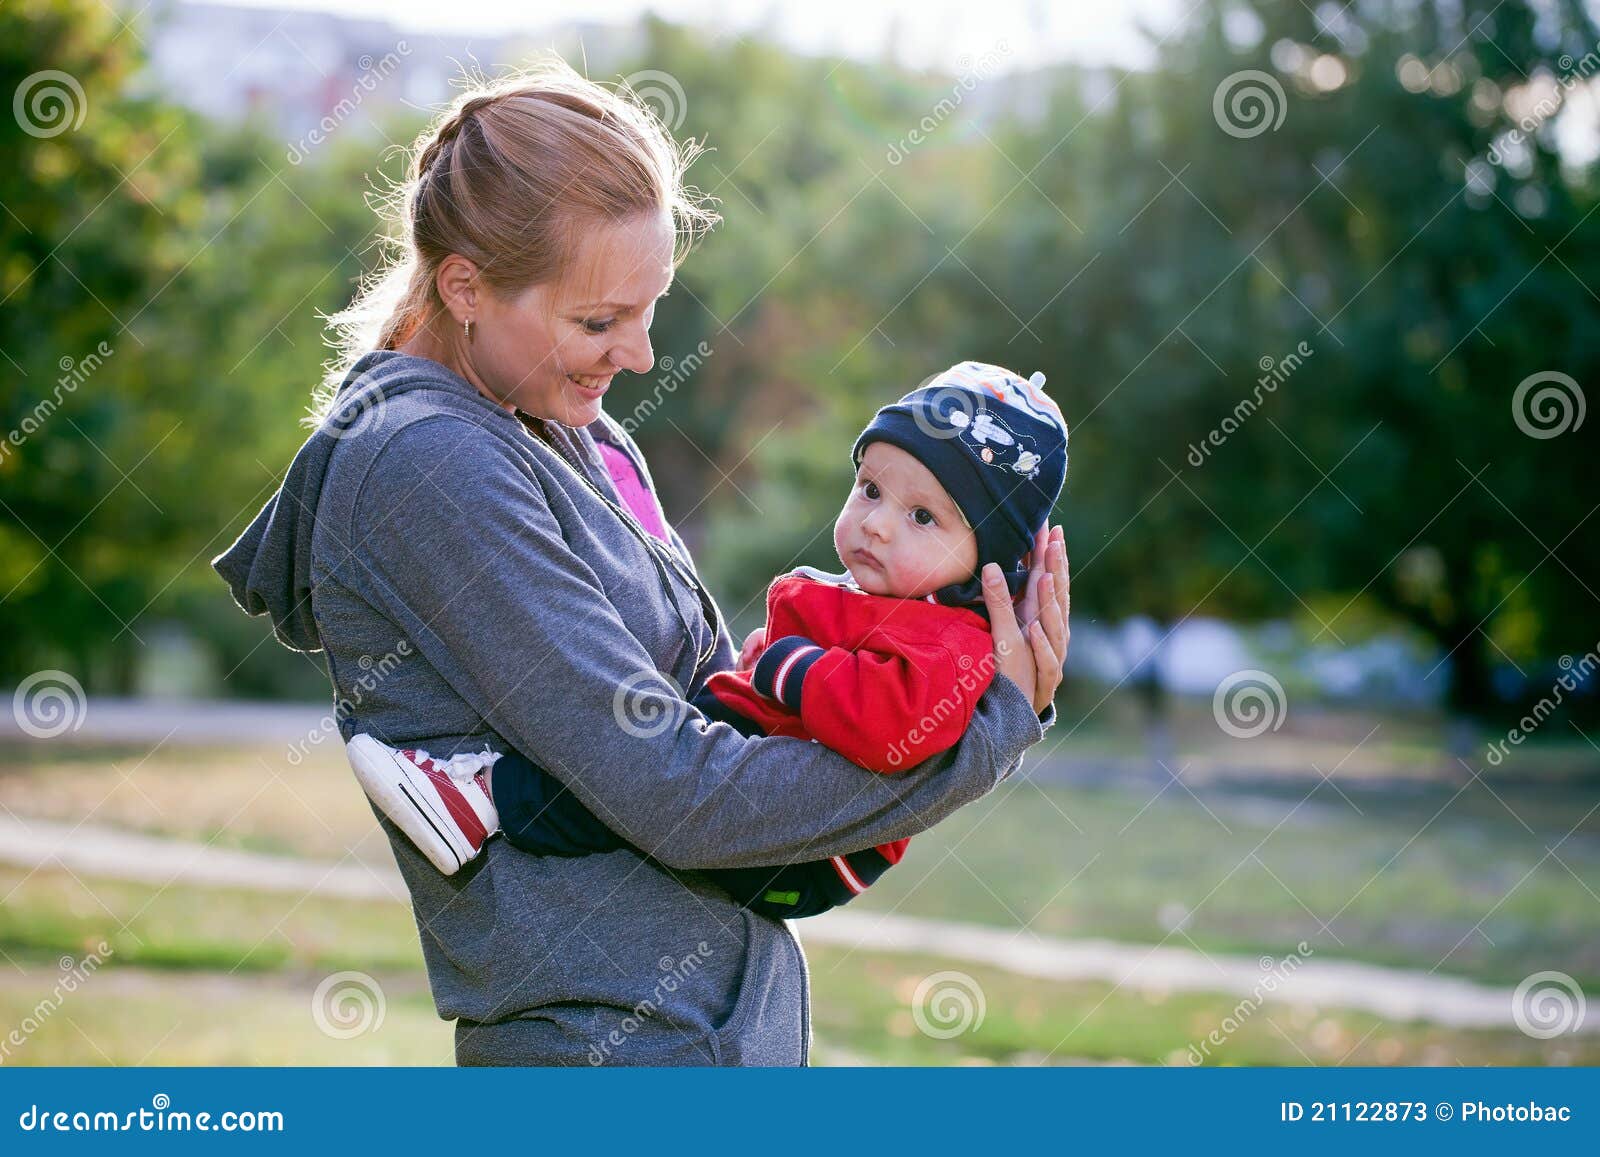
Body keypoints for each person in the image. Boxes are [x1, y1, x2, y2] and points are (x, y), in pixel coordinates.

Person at [212, 60, 1071, 1066]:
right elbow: (679, 787)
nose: (641, 355)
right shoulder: (425, 462)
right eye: (597, 321)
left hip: (719, 1028)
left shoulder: (567, 427)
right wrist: (985, 732)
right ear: (465, 286)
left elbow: (721, 700)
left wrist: (917, 652)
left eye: (649, 308)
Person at [347, 360, 1069, 924]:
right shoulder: (881, 600)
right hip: (780, 783)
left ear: (987, 565)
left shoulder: (953, 639)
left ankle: (484, 801)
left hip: (810, 859)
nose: (877, 524)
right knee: (646, 745)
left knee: (632, 781)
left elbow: (888, 730)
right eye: (872, 489)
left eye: (922, 516)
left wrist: (787, 666)